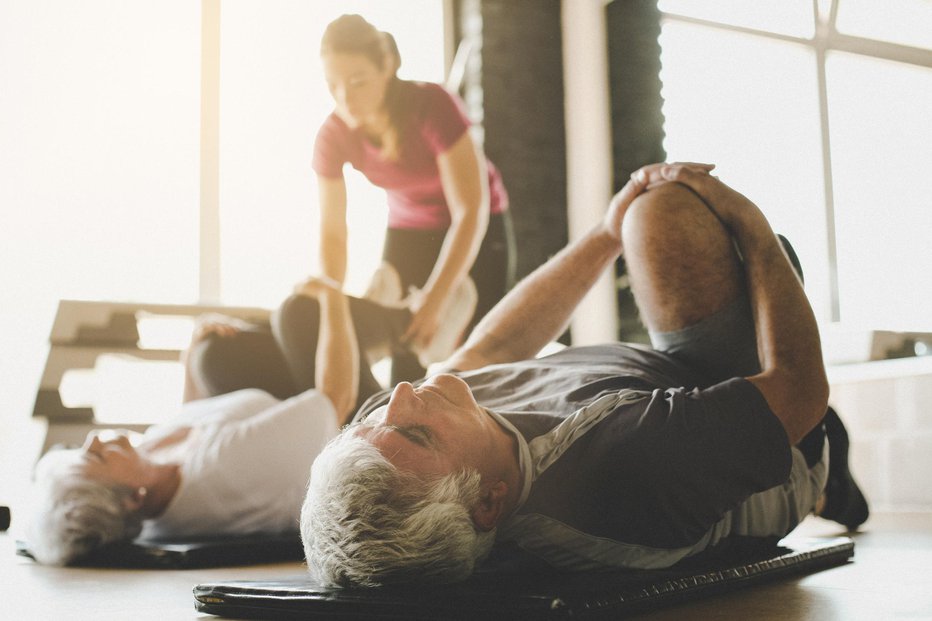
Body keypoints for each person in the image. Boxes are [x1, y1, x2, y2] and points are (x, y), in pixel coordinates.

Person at [301, 163, 870, 586]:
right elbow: (800, 390)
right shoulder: (621, 465)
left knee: (638, 220)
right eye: (415, 432)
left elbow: (495, 344)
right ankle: (831, 471)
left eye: (372, 420)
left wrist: (605, 232)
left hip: (661, 386)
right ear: (489, 505)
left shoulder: (435, 435)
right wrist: (752, 225)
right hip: (789, 439)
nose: (399, 396)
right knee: (666, 213)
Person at [25, 277, 363, 565]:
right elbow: (337, 398)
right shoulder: (228, 467)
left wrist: (192, 351)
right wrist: (332, 294)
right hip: (347, 416)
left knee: (211, 353)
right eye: (95, 456)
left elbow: (190, 415)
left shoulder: (152, 477)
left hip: (270, 403)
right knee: (300, 312)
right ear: (132, 501)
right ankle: (401, 322)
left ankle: (393, 318)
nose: (93, 440)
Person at [314, 14, 516, 383]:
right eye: (333, 85)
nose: (346, 98)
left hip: (478, 225)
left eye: (357, 82)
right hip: (408, 227)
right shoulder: (332, 136)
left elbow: (470, 210)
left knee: (478, 353)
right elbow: (332, 233)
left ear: (386, 66)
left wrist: (436, 300)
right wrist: (332, 305)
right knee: (405, 350)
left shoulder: (433, 106)